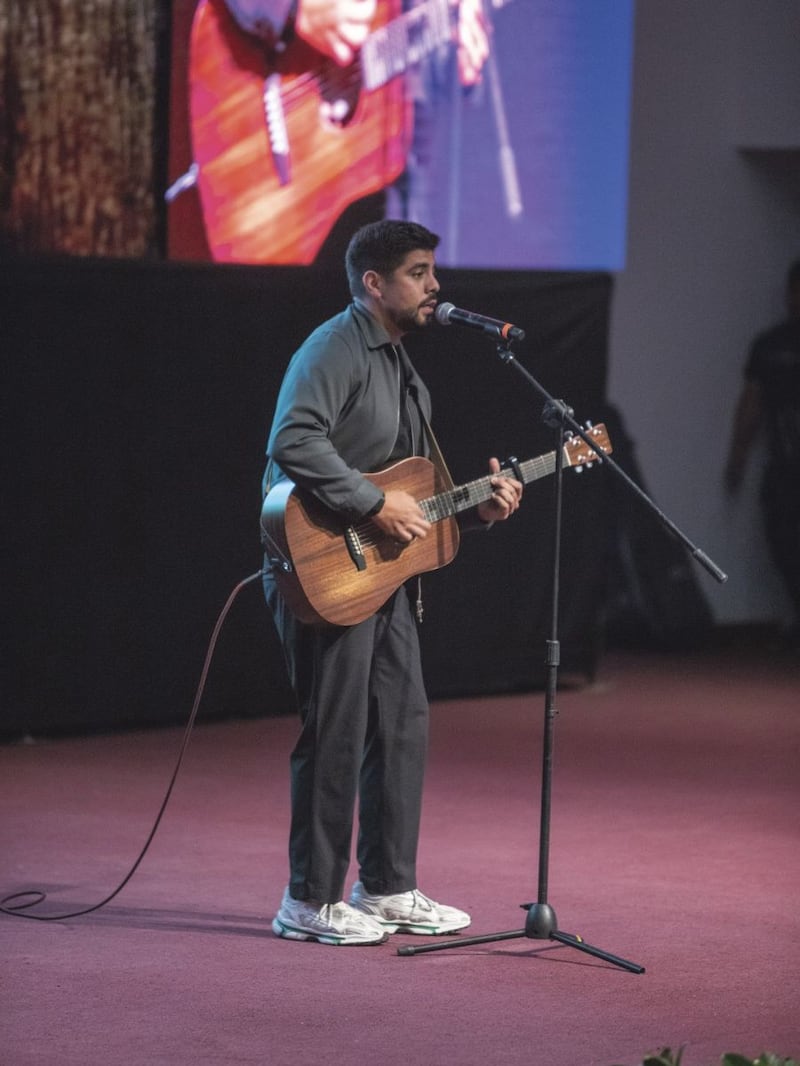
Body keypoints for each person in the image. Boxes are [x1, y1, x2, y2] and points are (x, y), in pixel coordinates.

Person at [261, 219, 523, 945]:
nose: (434, 285)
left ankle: (386, 886)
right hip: (323, 571)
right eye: (417, 271)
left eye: (432, 269)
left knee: (402, 725)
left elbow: (411, 498)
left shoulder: (402, 367)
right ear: (374, 284)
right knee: (336, 730)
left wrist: (477, 511)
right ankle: (307, 900)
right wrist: (374, 503)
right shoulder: (335, 347)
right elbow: (294, 438)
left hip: (382, 578)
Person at [725, 259, 800, 644]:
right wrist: (737, 455)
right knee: (784, 540)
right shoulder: (770, 346)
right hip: (785, 468)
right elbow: (751, 402)